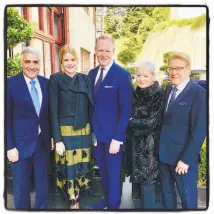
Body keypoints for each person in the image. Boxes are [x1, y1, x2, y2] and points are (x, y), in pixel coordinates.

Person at [88, 35, 133, 209]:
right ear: (95, 51)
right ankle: (108, 200)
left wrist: (118, 138)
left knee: (114, 174)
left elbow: (126, 109)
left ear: (113, 51)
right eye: (100, 50)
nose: (103, 54)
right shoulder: (91, 74)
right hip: (96, 135)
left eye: (107, 50)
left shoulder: (122, 75)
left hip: (113, 136)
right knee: (104, 172)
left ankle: (114, 205)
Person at [7, 47, 54, 209]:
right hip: (19, 145)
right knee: (21, 186)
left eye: (35, 62)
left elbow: (48, 115)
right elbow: (6, 119)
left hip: (42, 143)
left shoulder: (46, 83)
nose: (32, 66)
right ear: (21, 63)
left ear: (39, 64)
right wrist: (10, 146)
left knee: (43, 184)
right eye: (28, 61)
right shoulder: (10, 84)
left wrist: (52, 137)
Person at [158, 51, 206, 209]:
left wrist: (186, 159)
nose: (174, 72)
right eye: (171, 68)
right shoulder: (168, 90)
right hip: (164, 156)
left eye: (179, 68)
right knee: (167, 196)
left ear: (188, 70)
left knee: (187, 199)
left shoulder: (198, 94)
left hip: (183, 160)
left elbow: (199, 131)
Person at [48, 44, 93, 209]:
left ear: (77, 61)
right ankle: (72, 199)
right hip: (65, 131)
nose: (70, 63)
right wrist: (57, 139)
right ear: (61, 62)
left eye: (72, 59)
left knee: (81, 165)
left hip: (83, 130)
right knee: (68, 167)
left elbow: (90, 107)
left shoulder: (85, 79)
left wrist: (92, 134)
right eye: (66, 60)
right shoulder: (55, 79)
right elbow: (52, 110)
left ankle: (78, 196)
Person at [126, 62, 164, 209]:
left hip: (149, 147)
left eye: (145, 75)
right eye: (139, 75)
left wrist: (129, 122)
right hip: (134, 145)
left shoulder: (158, 93)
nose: (141, 79)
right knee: (136, 185)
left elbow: (152, 122)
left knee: (148, 182)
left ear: (153, 76)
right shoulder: (135, 91)